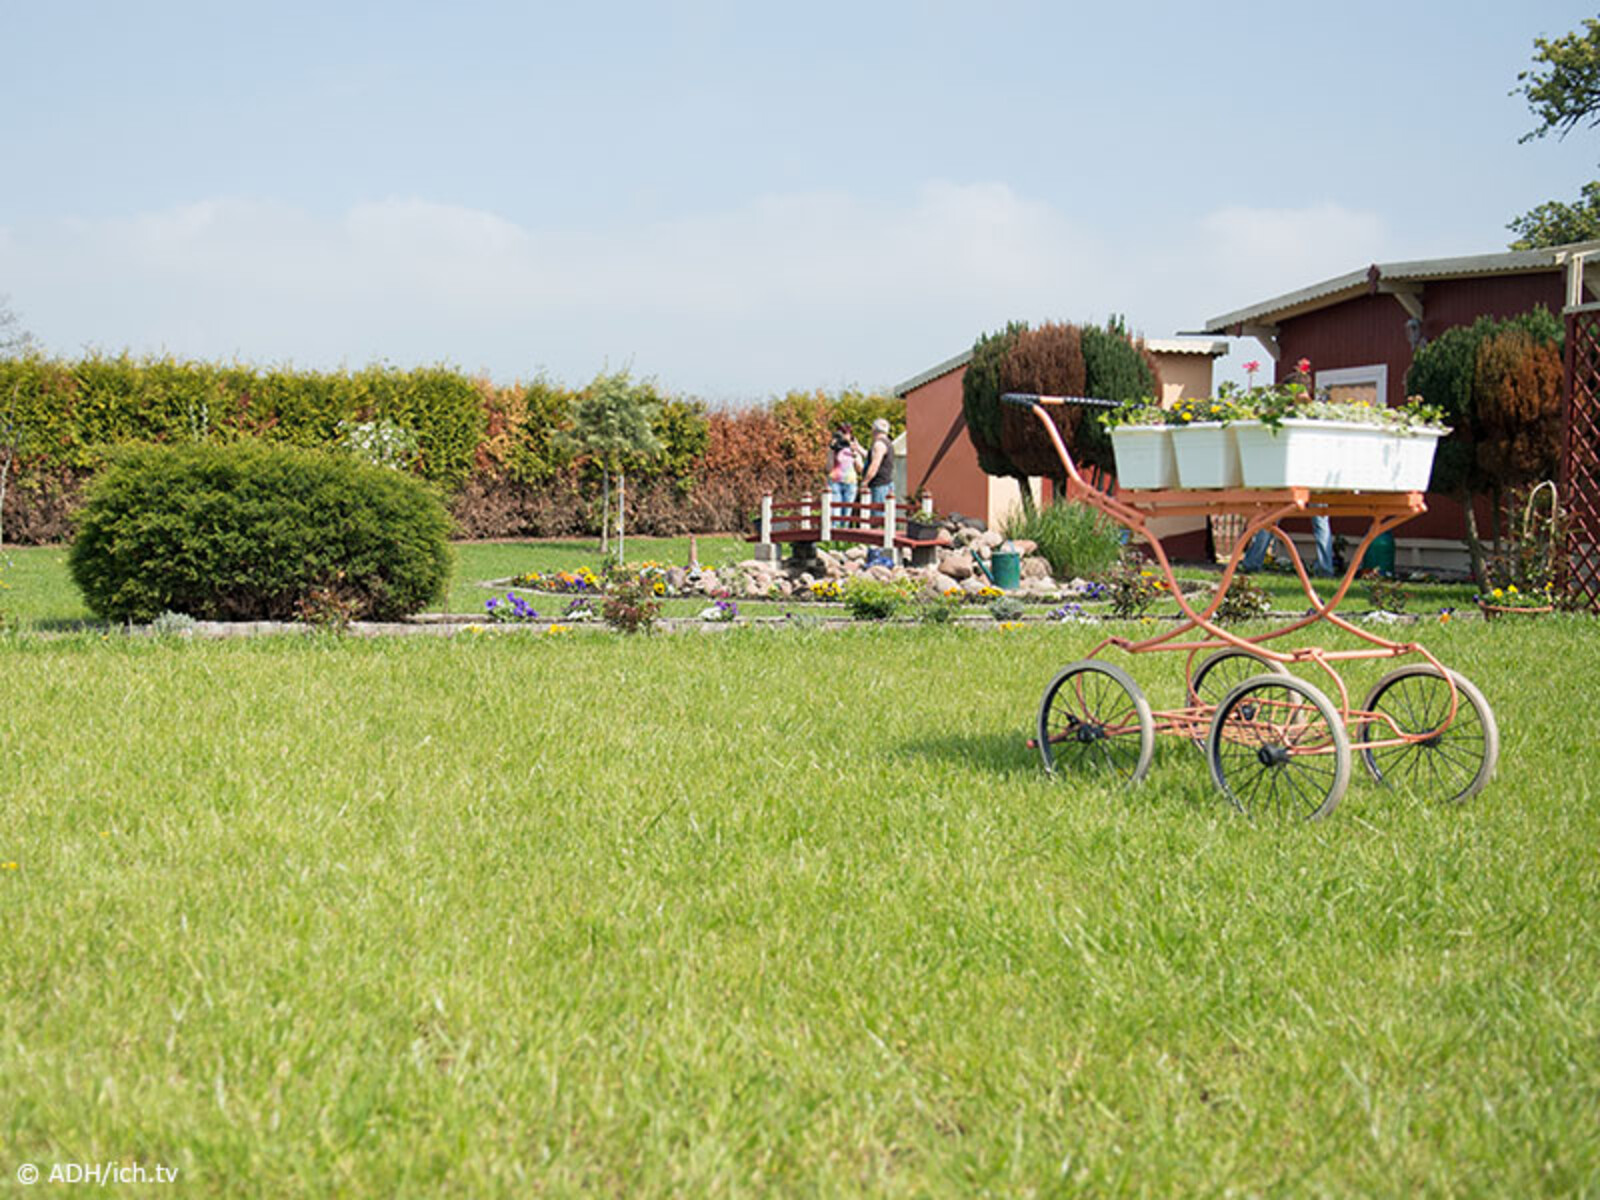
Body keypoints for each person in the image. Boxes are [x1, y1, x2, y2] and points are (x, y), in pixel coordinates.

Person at [1240, 517, 1334, 576]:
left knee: (1270, 519)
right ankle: (1325, 568)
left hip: (1288, 487)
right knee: (1321, 521)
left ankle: (1252, 563)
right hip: (1314, 487)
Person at [860, 417, 895, 507]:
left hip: (879, 485)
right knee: (885, 515)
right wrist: (858, 448)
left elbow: (874, 465)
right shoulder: (887, 443)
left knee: (878, 517)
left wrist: (865, 482)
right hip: (886, 484)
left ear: (874, 429)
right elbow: (871, 457)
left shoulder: (878, 444)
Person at [827, 423, 863, 507]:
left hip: (850, 483)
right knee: (835, 514)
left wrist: (854, 452)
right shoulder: (834, 447)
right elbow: (828, 468)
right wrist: (832, 450)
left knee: (846, 515)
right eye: (842, 433)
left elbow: (860, 469)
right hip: (835, 483)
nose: (844, 436)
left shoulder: (853, 447)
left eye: (846, 433)